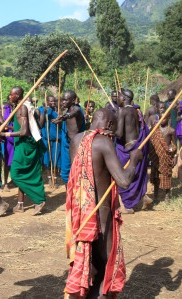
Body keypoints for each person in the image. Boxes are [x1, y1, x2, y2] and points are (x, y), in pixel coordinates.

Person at [65, 108, 143, 299]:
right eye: (115, 128)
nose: (116, 134)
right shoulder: (103, 142)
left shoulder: (76, 140)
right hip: (101, 215)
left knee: (90, 263)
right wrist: (134, 160)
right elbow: (124, 181)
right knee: (108, 264)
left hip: (80, 213)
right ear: (109, 125)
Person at [6, 86, 46, 214]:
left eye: (11, 94)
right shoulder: (23, 106)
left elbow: (24, 131)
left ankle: (39, 200)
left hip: (25, 145)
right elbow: (23, 126)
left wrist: (5, 135)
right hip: (24, 144)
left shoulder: (22, 107)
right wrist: (9, 127)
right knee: (27, 173)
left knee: (16, 174)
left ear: (17, 95)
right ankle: (20, 205)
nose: (10, 96)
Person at [115, 89, 151, 213]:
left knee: (123, 175)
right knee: (135, 175)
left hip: (128, 148)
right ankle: (142, 198)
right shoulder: (137, 111)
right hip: (137, 146)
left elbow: (119, 134)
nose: (117, 99)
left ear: (124, 98)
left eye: (119, 96)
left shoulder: (123, 111)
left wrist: (107, 131)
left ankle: (127, 206)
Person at [52, 90, 85, 185]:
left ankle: (75, 196)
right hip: (67, 144)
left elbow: (74, 112)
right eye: (62, 100)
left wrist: (64, 117)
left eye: (66, 100)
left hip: (76, 145)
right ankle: (70, 196)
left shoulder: (76, 109)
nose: (63, 102)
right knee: (66, 173)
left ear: (73, 100)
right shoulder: (67, 110)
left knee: (77, 171)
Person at [149, 102, 176, 201]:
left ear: (168, 119)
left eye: (164, 118)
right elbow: (151, 142)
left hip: (166, 157)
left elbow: (174, 144)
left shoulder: (171, 131)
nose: (162, 120)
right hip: (156, 157)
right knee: (156, 176)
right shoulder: (154, 130)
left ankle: (167, 195)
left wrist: (175, 156)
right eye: (160, 118)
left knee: (167, 176)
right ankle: (156, 194)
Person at [39, 95, 61, 184]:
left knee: (56, 159)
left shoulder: (58, 111)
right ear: (47, 101)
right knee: (48, 159)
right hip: (46, 138)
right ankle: (49, 177)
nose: (53, 103)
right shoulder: (43, 110)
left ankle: (55, 178)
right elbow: (41, 124)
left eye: (54, 101)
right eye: (50, 101)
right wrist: (44, 113)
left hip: (56, 139)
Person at [2, 96, 15, 191]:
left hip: (17, 136)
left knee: (16, 160)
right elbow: (3, 122)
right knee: (7, 161)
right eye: (10, 99)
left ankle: (15, 179)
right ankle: (5, 183)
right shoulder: (6, 109)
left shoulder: (19, 108)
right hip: (8, 138)